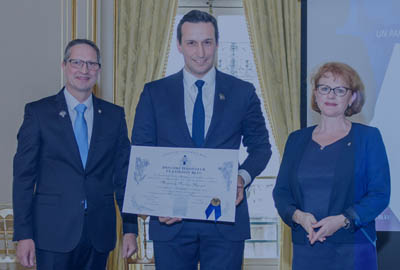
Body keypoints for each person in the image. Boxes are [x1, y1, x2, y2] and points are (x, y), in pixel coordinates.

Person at [131, 10, 271, 270]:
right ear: (179, 46)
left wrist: (241, 177)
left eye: (207, 42)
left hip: (225, 222)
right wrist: (154, 202)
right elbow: (141, 154)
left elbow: (262, 148)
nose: (201, 52)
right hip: (170, 221)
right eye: (192, 43)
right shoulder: (154, 93)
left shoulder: (243, 92)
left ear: (217, 43)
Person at [13, 39, 138, 269]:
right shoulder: (38, 113)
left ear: (98, 70)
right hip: (52, 234)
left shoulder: (114, 116)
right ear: (64, 66)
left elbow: (124, 176)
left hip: (99, 234)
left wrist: (130, 228)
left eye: (91, 64)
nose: (84, 70)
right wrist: (23, 234)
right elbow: (23, 178)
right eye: (77, 62)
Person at [273, 62, 390, 270]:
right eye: (324, 88)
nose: (331, 95)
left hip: (353, 248)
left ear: (352, 97)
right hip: (306, 247)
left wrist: (343, 220)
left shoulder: (368, 138)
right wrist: (299, 217)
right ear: (316, 95)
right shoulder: (296, 140)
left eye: (340, 90)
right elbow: (281, 193)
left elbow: (379, 194)